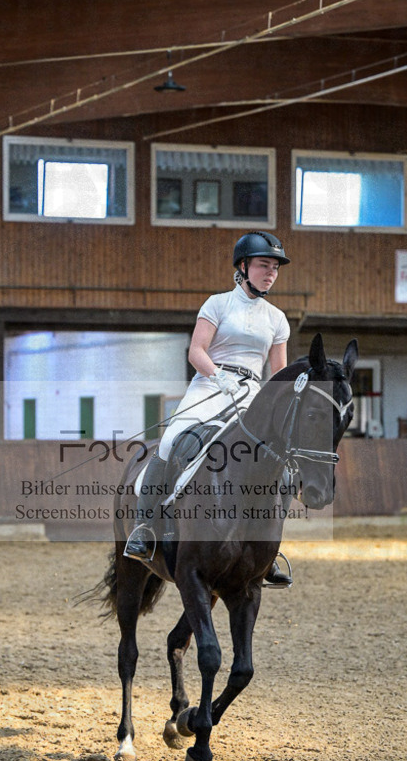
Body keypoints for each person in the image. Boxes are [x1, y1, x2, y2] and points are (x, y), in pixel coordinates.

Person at [125, 230, 293, 584]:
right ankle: (143, 529)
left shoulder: (277, 318)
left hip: (252, 394)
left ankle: (268, 549)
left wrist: (279, 402)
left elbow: (278, 372)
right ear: (243, 267)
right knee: (171, 440)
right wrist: (219, 377)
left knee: (280, 463)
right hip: (210, 385)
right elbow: (196, 351)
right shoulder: (217, 304)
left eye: (275, 267)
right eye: (264, 265)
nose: (271, 273)